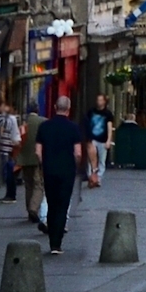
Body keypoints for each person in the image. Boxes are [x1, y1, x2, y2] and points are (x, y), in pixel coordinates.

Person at [37, 98, 92, 252]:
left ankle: (51, 238)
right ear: (68, 109)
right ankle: (57, 243)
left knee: (52, 204)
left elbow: (38, 152)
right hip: (66, 171)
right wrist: (74, 164)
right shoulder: (74, 128)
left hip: (49, 170)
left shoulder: (44, 127)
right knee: (62, 205)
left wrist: (44, 164)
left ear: (55, 107)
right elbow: (78, 153)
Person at [0, 104, 23, 201]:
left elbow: (2, 126)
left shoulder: (8, 119)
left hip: (7, 148)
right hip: (9, 147)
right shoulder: (11, 119)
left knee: (9, 171)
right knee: (9, 171)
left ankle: (10, 195)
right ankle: (10, 194)